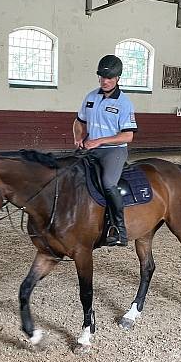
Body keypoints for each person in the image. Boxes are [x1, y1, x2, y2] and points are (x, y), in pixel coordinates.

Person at [73, 54, 138, 246]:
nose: (105, 81)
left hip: (113, 151)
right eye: (102, 77)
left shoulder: (124, 103)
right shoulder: (91, 97)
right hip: (90, 147)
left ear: (118, 78)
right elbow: (79, 121)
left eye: (109, 78)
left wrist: (99, 141)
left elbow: (128, 136)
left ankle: (119, 229)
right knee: (70, 174)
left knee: (108, 183)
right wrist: (78, 136)